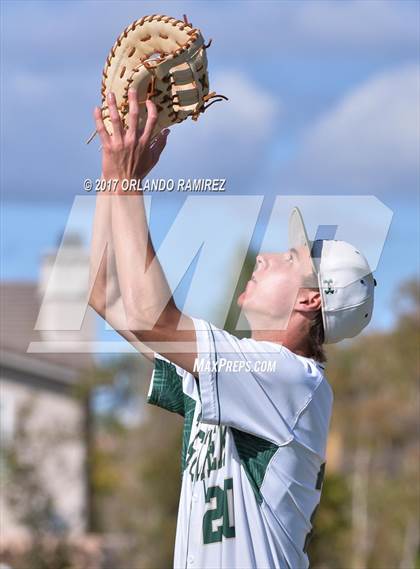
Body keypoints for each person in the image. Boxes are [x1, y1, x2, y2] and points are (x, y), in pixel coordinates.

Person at [88, 90, 376, 569]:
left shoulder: (290, 380)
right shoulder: (243, 371)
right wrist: (112, 170)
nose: (264, 256)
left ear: (310, 300)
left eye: (289, 259)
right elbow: (104, 293)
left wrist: (129, 183)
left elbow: (147, 317)